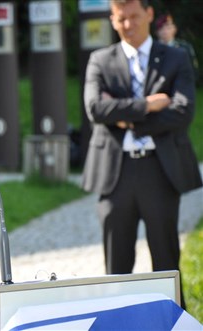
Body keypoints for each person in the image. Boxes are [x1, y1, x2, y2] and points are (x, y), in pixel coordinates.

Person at [81, 0, 202, 308]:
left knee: (166, 263)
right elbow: (95, 109)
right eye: (121, 19)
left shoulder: (176, 58)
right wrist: (148, 105)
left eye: (134, 17)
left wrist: (122, 117)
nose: (128, 25)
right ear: (112, 19)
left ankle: (174, 323)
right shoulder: (100, 60)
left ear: (149, 14)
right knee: (116, 269)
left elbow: (183, 112)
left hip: (160, 172)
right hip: (115, 174)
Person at [155, 13, 199, 82]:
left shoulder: (184, 48)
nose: (165, 31)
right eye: (161, 27)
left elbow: (193, 72)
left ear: (174, 28)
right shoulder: (151, 49)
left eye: (168, 27)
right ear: (157, 31)